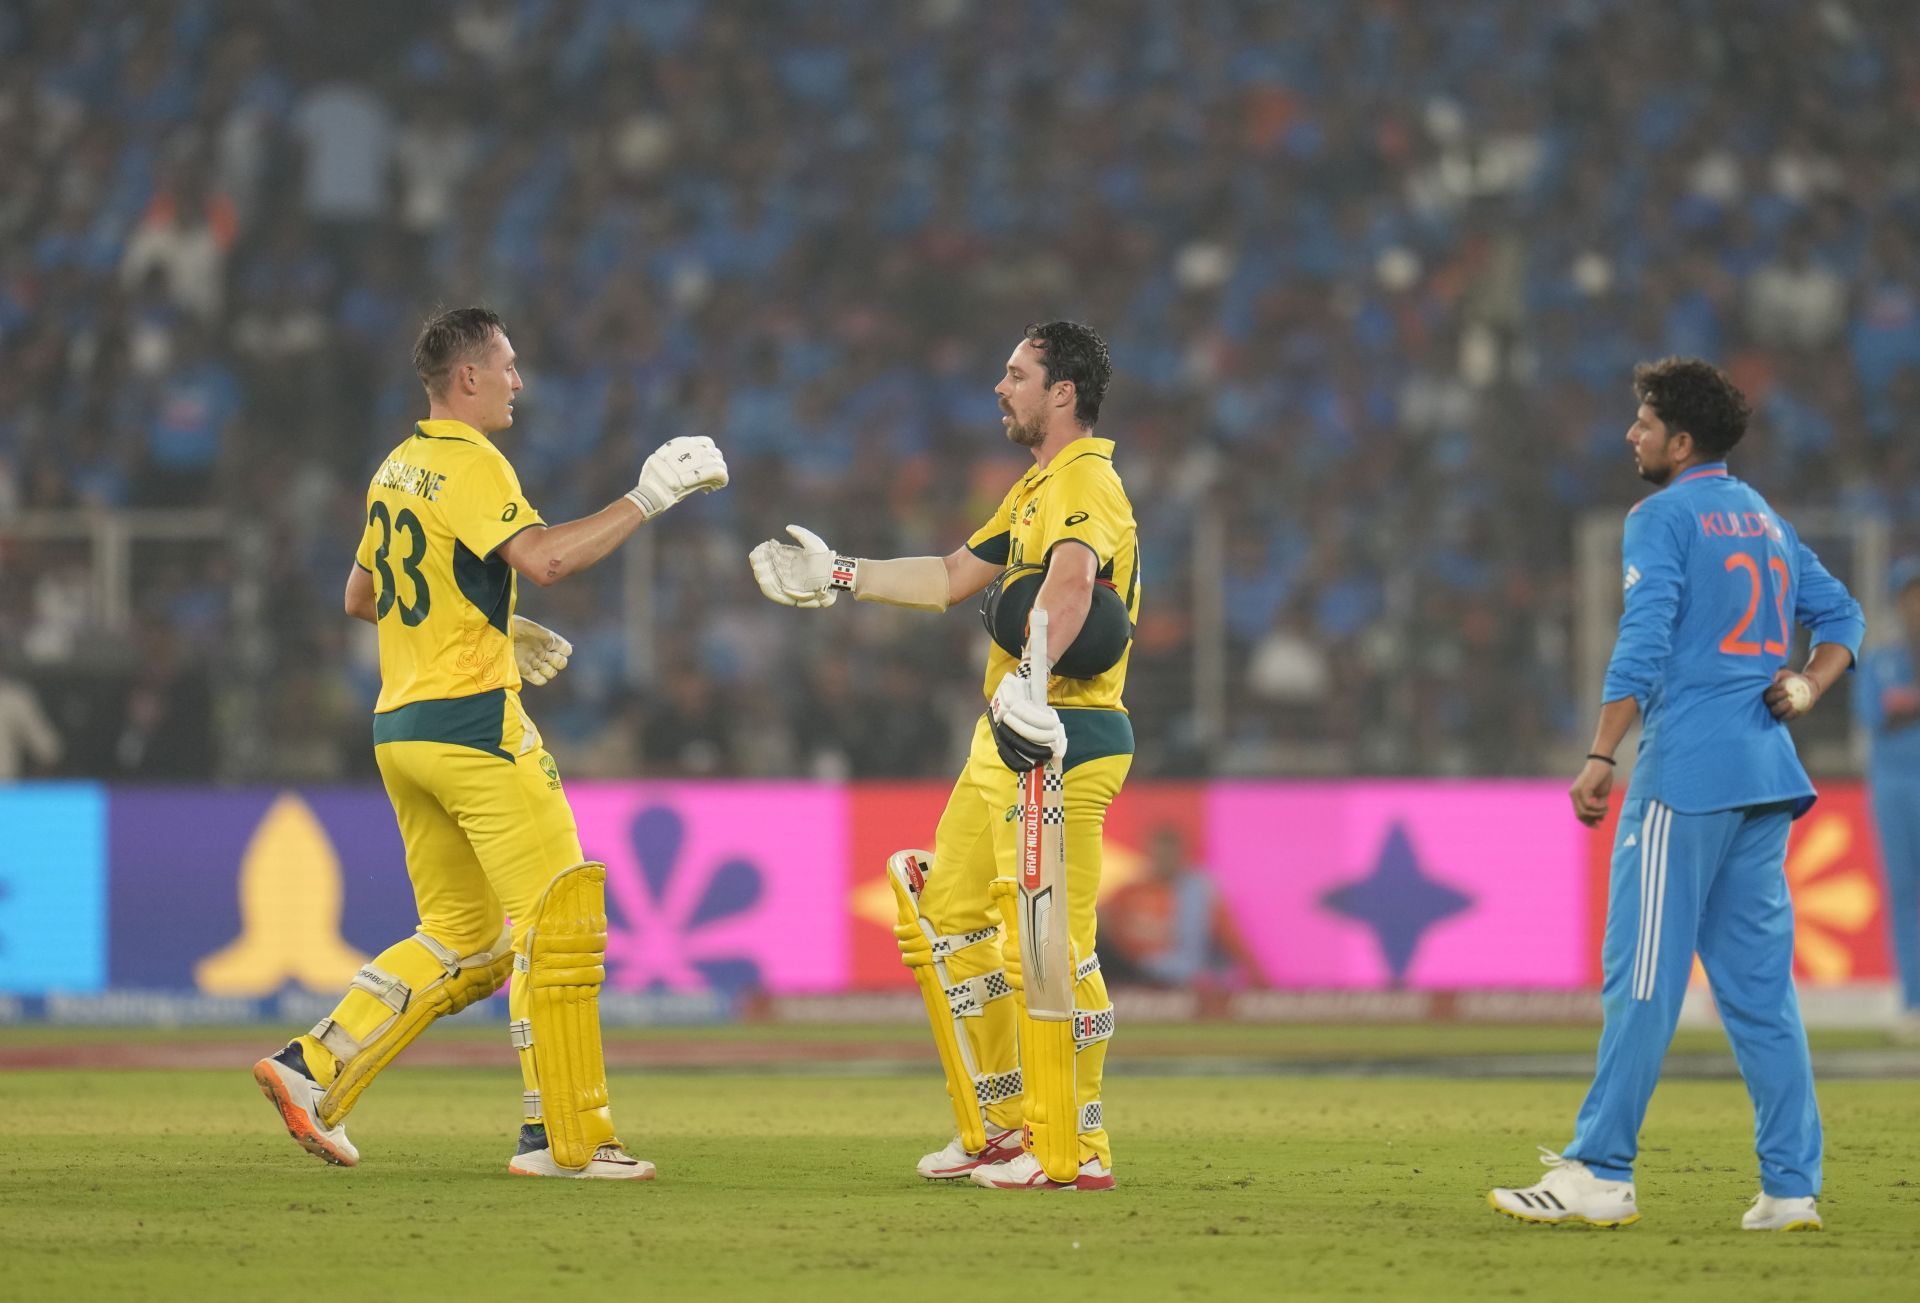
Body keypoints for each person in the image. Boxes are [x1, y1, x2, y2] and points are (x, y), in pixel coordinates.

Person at [252, 306, 728, 1179]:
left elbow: (362, 596)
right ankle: (569, 1140)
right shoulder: (474, 464)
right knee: (561, 921)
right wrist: (647, 498)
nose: (518, 379)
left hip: (402, 731)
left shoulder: (396, 467)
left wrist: (499, 623)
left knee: (466, 939)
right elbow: (544, 557)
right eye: (507, 364)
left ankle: (310, 1069)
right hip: (476, 728)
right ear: (465, 377)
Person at [749, 321, 1138, 1191]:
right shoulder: (1034, 488)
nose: (999, 387)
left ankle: (1074, 1144)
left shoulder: (1087, 479)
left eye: (1016, 374)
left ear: (1062, 392)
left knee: (1050, 945)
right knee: (954, 915)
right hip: (1007, 731)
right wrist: (839, 574)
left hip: (1062, 734)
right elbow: (954, 576)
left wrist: (1034, 684)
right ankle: (1005, 1126)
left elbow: (1074, 586)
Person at [1489, 358, 1864, 1231]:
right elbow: (1844, 618)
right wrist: (1806, 688)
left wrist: (1599, 752)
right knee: (1761, 995)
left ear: (1680, 440)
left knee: (1643, 981)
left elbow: (1644, 638)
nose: (1632, 434)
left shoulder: (1661, 516)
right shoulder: (1766, 519)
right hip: (1765, 780)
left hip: (1686, 776)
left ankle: (1601, 1172)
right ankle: (1790, 1188)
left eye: (1645, 422)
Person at [1852, 558, 1920, 1040]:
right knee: (1905, 894)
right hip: (1894, 785)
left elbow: (1898, 712)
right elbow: (1878, 716)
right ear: (1898, 604)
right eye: (1909, 596)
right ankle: (1915, 1001)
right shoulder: (1881, 660)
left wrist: (1905, 706)